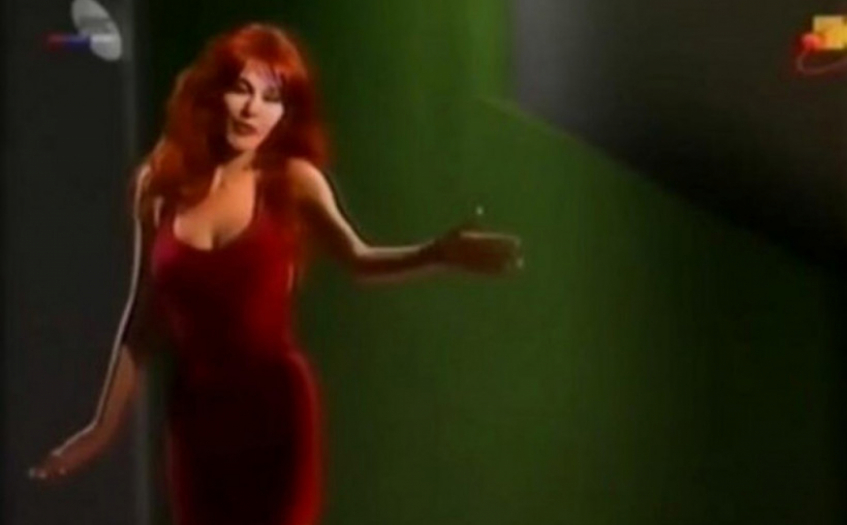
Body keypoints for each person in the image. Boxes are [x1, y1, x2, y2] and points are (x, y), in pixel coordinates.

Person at [27, 22, 523, 525]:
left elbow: (358, 259)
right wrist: (101, 429)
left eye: (272, 97)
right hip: (198, 423)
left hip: (276, 413)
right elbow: (143, 319)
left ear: (287, 113)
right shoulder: (158, 187)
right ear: (214, 91)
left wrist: (438, 253)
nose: (252, 110)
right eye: (241, 89)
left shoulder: (292, 181)